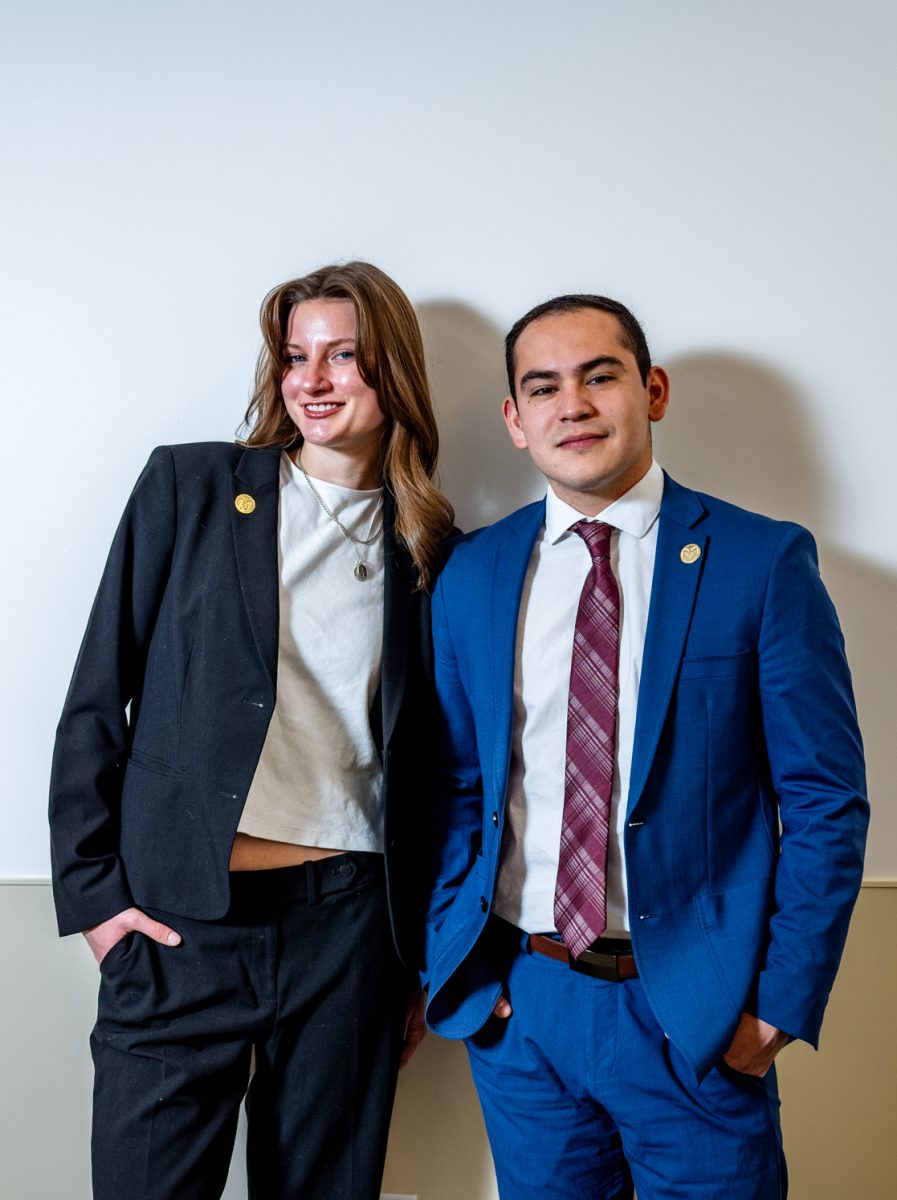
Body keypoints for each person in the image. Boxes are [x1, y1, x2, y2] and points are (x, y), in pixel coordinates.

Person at [423, 294, 868, 1199]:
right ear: (514, 420)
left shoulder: (761, 562)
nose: (572, 405)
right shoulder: (472, 572)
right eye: (541, 387)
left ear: (652, 390)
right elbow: (455, 785)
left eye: (599, 376)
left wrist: (775, 1007)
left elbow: (825, 799)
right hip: (525, 1005)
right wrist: (462, 971)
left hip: (693, 1014)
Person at [49, 261, 455, 1199]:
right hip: (179, 922)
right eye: (293, 357)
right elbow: (96, 694)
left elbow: (442, 774)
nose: (311, 380)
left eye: (343, 356)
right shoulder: (190, 487)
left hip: (348, 932)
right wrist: (95, 899)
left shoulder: (434, 549)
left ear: (393, 370)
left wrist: (420, 955)